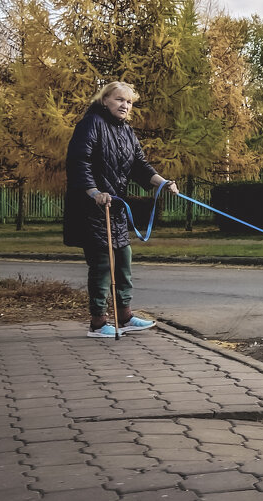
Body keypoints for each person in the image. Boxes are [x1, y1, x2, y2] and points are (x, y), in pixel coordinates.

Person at [64, 81, 178, 339]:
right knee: (102, 264)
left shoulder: (127, 131)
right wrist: (93, 192)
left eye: (128, 102)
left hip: (115, 210)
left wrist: (164, 182)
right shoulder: (91, 124)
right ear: (105, 100)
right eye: (119, 100)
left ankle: (124, 317)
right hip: (91, 209)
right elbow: (78, 161)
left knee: (123, 261)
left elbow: (140, 165)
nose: (125, 105)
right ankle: (97, 322)